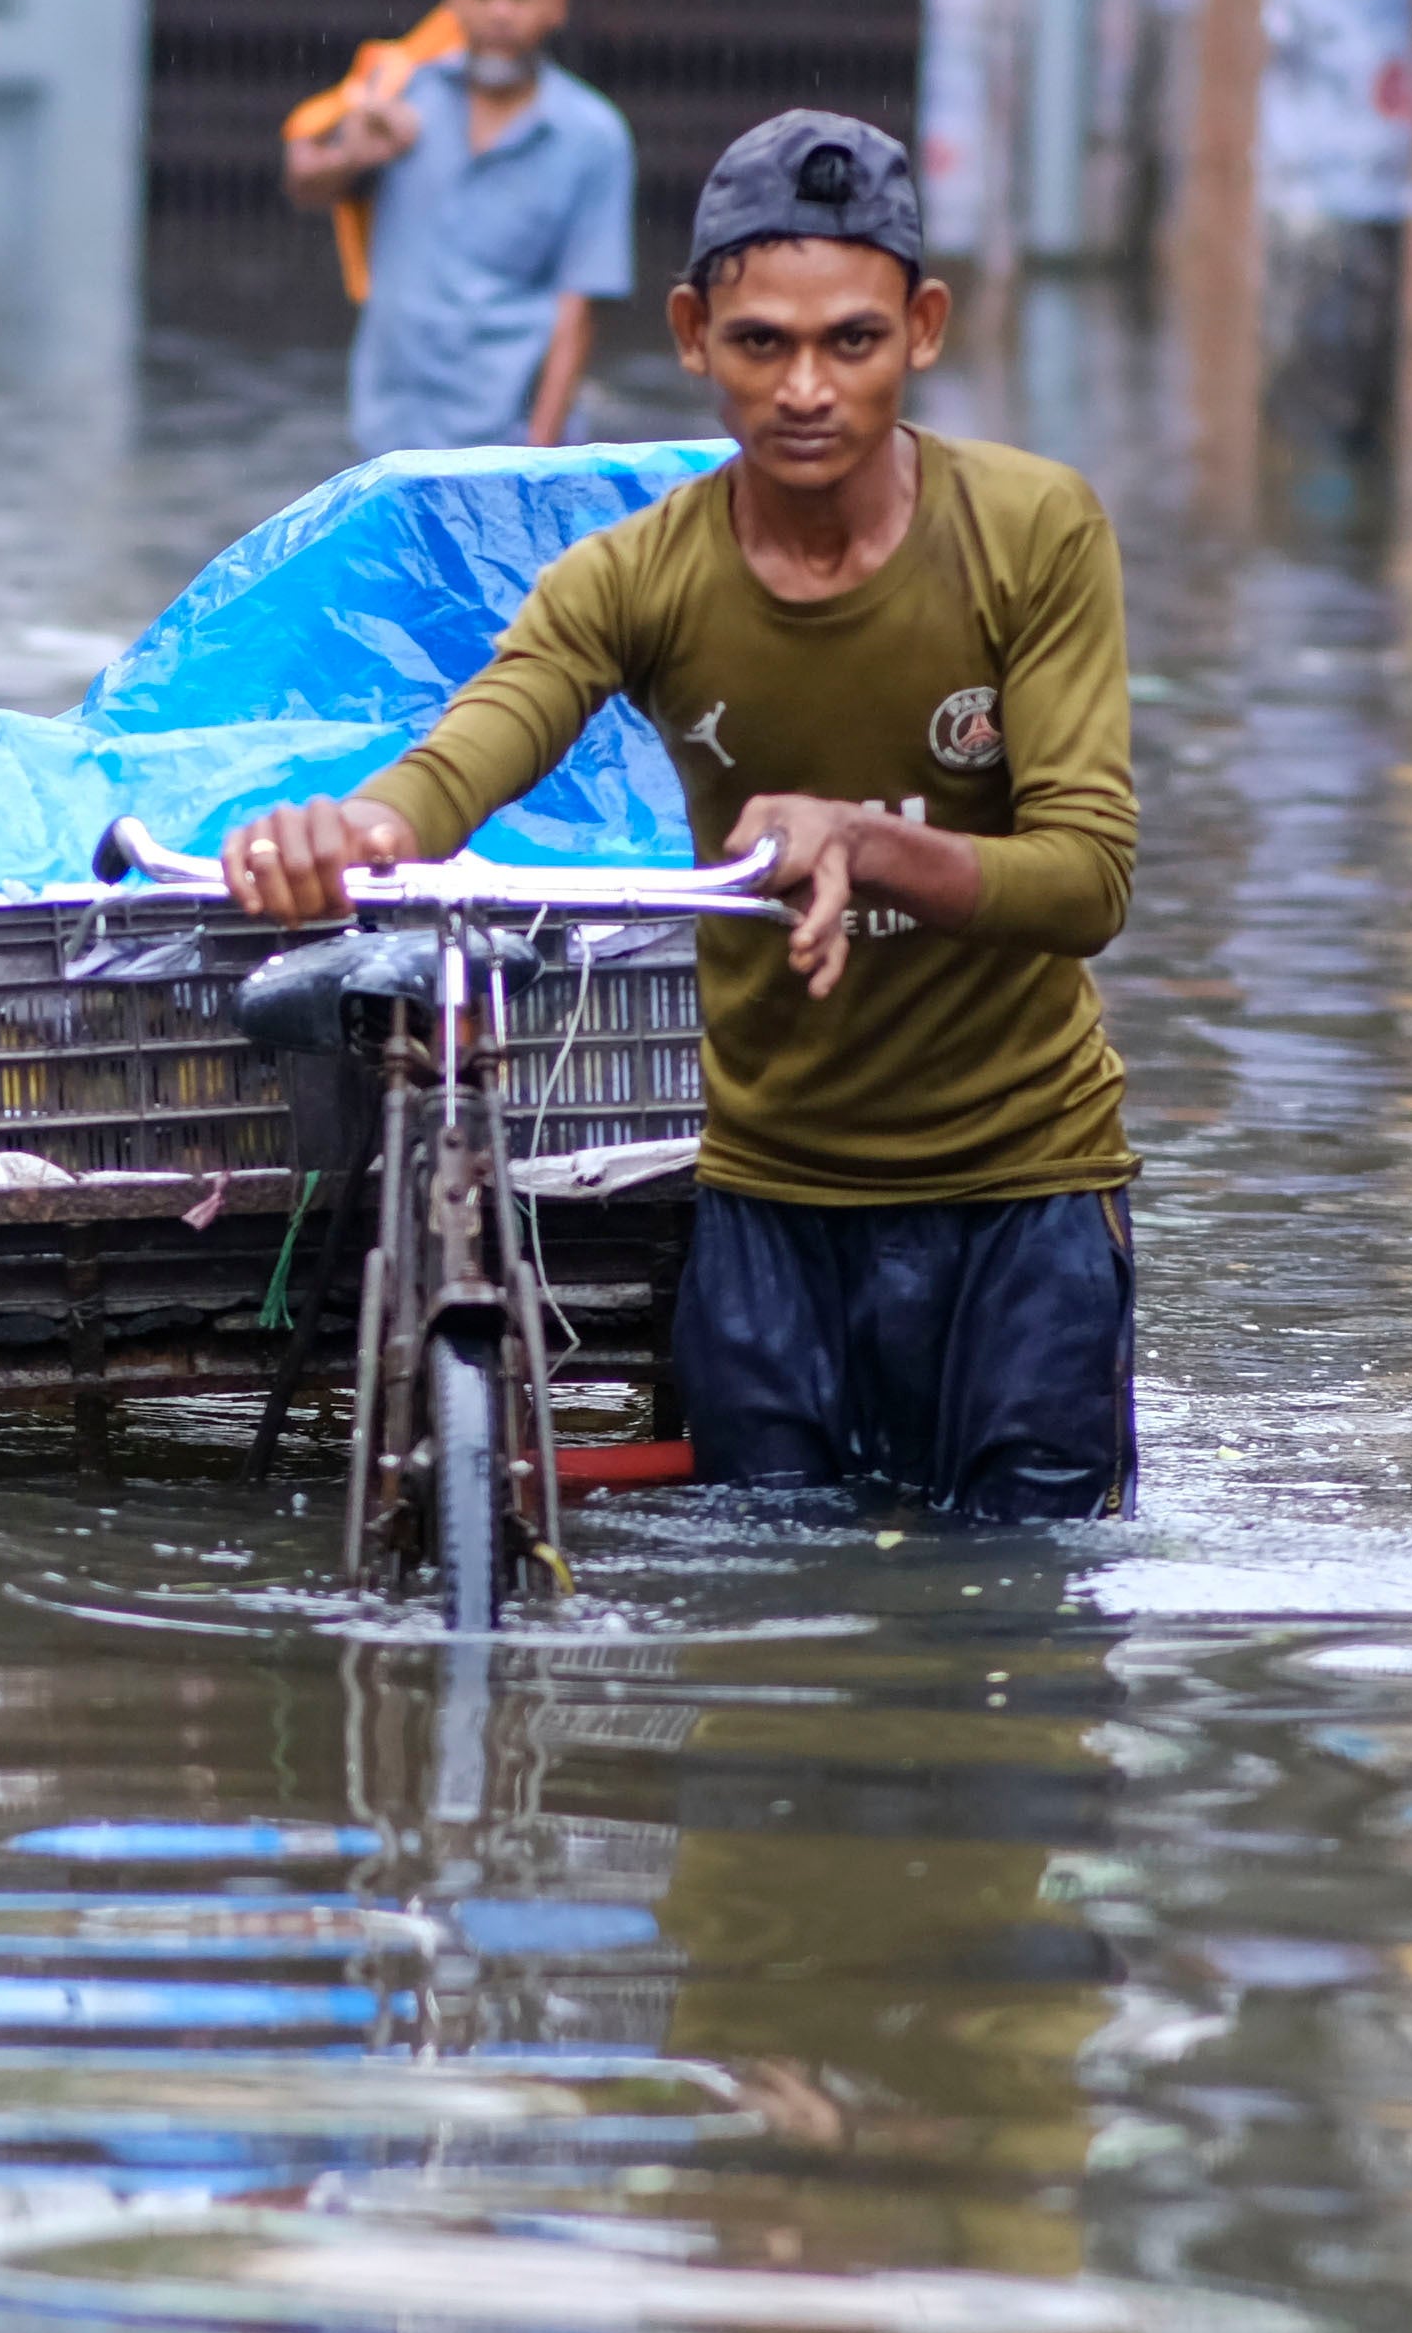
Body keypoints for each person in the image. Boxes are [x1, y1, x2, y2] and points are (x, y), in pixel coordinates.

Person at [225, 110, 1140, 1519]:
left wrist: (858, 836)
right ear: (692, 335)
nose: (807, 388)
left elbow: (1087, 876)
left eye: (853, 340)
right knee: (766, 1620)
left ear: (925, 330)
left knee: (1025, 1623)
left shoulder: (1034, 531)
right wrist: (356, 831)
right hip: (772, 1199)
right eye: (762, 342)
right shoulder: (635, 575)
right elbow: (483, 736)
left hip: (1023, 1189)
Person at [281, 0, 640, 460]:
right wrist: (354, 154)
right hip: (387, 434)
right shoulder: (397, 94)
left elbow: (580, 312)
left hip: (506, 440)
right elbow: (303, 185)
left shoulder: (592, 136)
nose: (500, 14)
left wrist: (536, 460)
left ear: (555, 4)